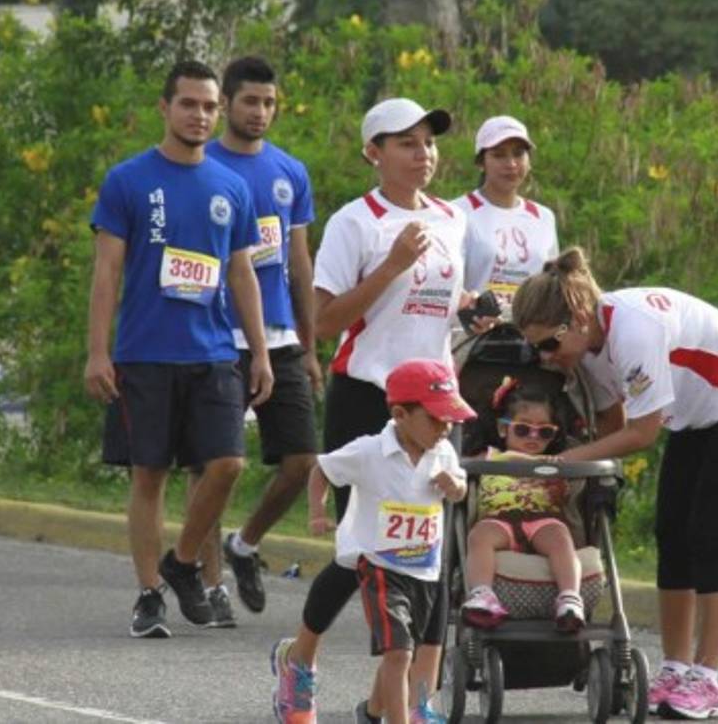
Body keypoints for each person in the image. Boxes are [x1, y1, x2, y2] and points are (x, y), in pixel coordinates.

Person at [511, 247, 718, 721]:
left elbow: (641, 434)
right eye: (536, 347)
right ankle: (675, 667)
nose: (545, 358)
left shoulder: (633, 331)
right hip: (698, 416)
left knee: (708, 536)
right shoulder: (586, 348)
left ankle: (706, 680)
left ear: (578, 317)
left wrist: (561, 462)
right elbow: (611, 424)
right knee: (670, 535)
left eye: (549, 345)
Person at [270, 97, 467, 724]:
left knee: (429, 545)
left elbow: (441, 304)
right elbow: (323, 322)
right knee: (363, 552)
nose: (423, 153)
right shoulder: (357, 222)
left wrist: (474, 310)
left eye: (429, 142)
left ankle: (413, 702)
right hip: (369, 394)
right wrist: (391, 267)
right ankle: (300, 662)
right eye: (406, 143)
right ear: (372, 153)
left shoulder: (454, 218)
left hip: (435, 403)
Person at [84, 60, 274, 639]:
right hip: (144, 353)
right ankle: (149, 595)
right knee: (150, 475)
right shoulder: (128, 179)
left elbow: (243, 275)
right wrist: (98, 351)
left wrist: (260, 353)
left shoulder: (231, 186)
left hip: (215, 352)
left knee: (227, 464)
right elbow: (107, 270)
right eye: (188, 104)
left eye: (209, 106)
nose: (199, 115)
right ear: (165, 108)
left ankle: (183, 562)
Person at [180, 55, 321, 624]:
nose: (259, 112)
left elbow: (298, 262)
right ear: (227, 105)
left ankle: (246, 543)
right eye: (249, 102)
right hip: (215, 337)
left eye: (268, 103)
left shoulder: (290, 172)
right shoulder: (201, 165)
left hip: (282, 336)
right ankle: (209, 585)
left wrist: (311, 346)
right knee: (211, 466)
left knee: (303, 459)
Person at [307, 359, 471, 724]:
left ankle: (371, 712)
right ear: (400, 414)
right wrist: (316, 512)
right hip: (381, 567)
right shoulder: (368, 452)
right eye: (435, 419)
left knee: (409, 651)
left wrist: (454, 487)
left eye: (450, 420)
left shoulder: (442, 451)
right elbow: (322, 470)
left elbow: (460, 489)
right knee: (398, 654)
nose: (445, 428)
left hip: (425, 570)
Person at [461, 377, 585, 632]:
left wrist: (561, 475)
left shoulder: (555, 461)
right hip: (498, 519)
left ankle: (570, 597)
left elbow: (570, 492)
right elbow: (457, 464)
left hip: (542, 520)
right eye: (522, 429)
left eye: (545, 432)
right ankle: (482, 593)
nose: (533, 437)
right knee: (479, 536)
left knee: (562, 538)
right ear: (503, 428)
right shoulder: (490, 457)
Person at [452, 115, 558, 322]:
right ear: (481, 162)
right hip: (472, 339)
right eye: (498, 155)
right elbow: (447, 283)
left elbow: (551, 286)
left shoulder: (543, 217)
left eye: (519, 154)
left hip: (529, 340)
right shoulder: (456, 213)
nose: (511, 164)